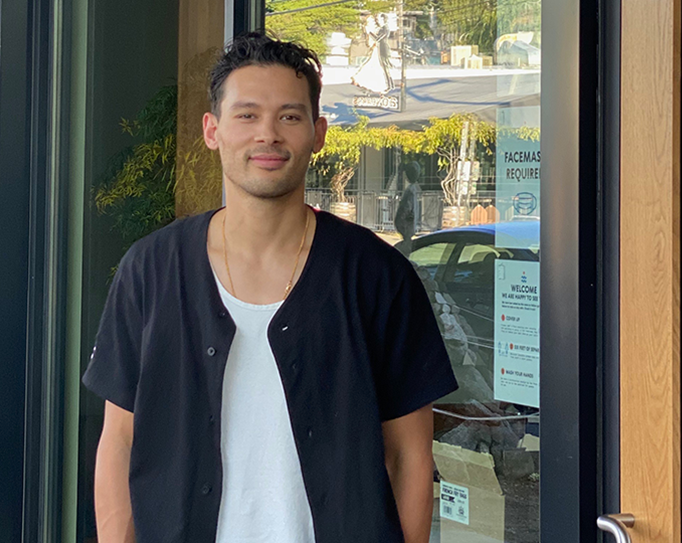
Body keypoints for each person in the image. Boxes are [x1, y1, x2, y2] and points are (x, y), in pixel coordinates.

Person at [83, 33, 457, 543]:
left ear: (318, 133)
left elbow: (409, 455)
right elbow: (121, 442)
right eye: (247, 115)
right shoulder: (151, 270)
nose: (268, 134)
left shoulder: (376, 276)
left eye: (290, 116)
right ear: (212, 130)